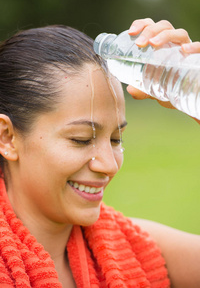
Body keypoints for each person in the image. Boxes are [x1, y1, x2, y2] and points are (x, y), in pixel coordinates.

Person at [0, 18, 198, 288]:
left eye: (116, 139)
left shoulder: (140, 248)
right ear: (7, 137)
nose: (110, 165)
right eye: (81, 139)